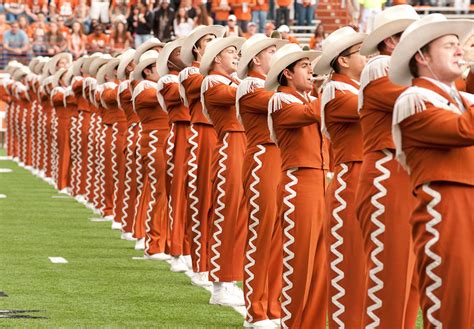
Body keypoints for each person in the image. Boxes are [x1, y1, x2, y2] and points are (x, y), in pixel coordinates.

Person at [389, 14, 474, 329]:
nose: (459, 51)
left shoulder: (459, 98)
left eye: (459, 45)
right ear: (422, 57)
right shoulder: (414, 100)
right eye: (449, 45)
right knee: (454, 304)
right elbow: (465, 130)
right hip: (446, 206)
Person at [356, 5, 420, 328]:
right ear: (392, 41)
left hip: (404, 176)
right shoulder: (381, 66)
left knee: (410, 281)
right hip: (385, 174)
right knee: (390, 278)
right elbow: (416, 102)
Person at [265, 43, 327, 329]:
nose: (311, 70)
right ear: (287, 73)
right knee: (299, 262)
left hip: (321, 180)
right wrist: (331, 88)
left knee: (321, 265)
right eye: (304, 66)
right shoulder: (280, 100)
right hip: (298, 182)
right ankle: (289, 322)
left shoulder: (306, 98)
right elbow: (312, 115)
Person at [313, 26, 367, 329]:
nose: (368, 55)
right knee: (350, 270)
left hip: (362, 179)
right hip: (351, 181)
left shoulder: (356, 88)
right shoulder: (336, 90)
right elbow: (375, 107)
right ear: (343, 61)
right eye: (360, 50)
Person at [236, 34, 286, 328]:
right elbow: (280, 105)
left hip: (280, 158)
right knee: (262, 233)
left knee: (279, 237)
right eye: (271, 52)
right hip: (262, 159)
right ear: (256, 59)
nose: (276, 57)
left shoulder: (274, 87)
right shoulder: (251, 84)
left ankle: (273, 305)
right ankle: (256, 309)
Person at [200, 36, 247, 307]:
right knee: (227, 212)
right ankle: (220, 283)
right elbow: (242, 97)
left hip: (243, 143)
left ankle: (230, 278)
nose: (236, 56)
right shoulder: (212, 81)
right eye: (231, 52)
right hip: (230, 143)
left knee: (239, 214)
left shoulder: (235, 82)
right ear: (217, 57)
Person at [178, 25, 225, 287]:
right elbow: (206, 86)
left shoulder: (220, 75)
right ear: (197, 48)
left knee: (218, 203)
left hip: (220, 137)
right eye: (208, 41)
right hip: (201, 136)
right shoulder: (190, 72)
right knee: (199, 200)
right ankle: (199, 263)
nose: (213, 45)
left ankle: (213, 262)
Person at [131, 50, 171, 260]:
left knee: (159, 192)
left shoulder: (154, 86)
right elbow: (163, 97)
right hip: (155, 142)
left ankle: (157, 240)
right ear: (147, 71)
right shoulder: (144, 87)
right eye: (158, 66)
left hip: (162, 142)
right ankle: (153, 244)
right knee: (159, 193)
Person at [156, 39, 191, 273]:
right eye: (179, 52)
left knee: (197, 197)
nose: (183, 55)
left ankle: (193, 249)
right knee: (178, 193)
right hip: (181, 134)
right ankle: (177, 248)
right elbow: (182, 96)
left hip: (200, 134)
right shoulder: (169, 80)